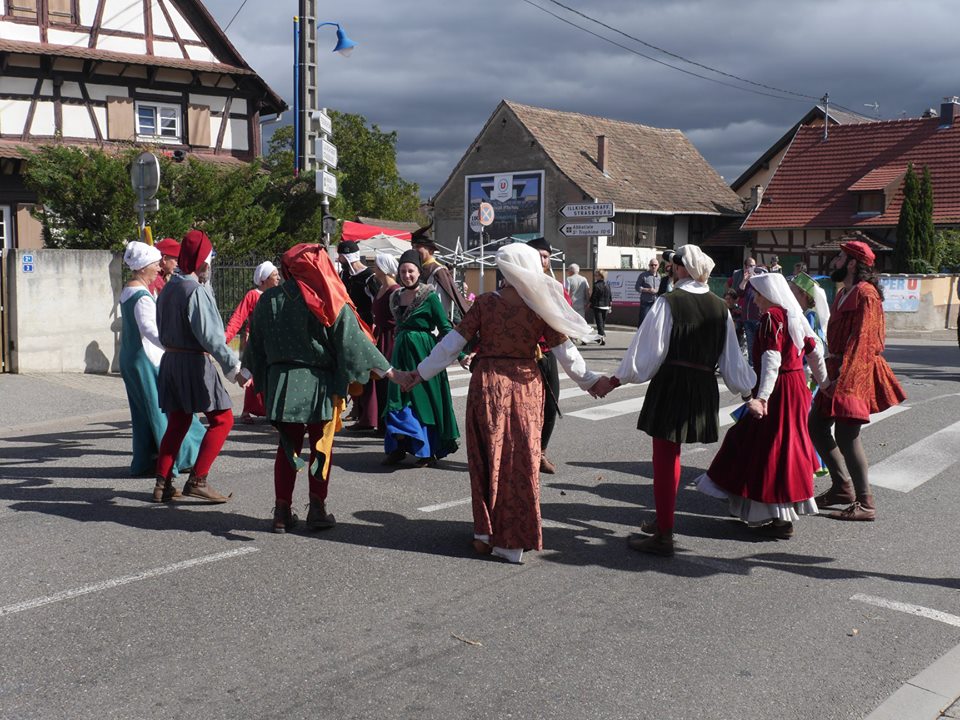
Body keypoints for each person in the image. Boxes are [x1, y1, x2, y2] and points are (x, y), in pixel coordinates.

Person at [406, 243, 601, 563]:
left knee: (486, 457)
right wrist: (591, 382)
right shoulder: (539, 306)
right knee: (520, 461)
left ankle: (484, 533)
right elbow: (567, 354)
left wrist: (420, 373)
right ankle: (512, 542)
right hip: (525, 387)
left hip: (488, 385)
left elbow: (451, 345)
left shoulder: (484, 304)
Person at [591, 244, 756, 556]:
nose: (670, 270)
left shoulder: (669, 302)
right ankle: (662, 519)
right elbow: (733, 360)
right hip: (702, 386)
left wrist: (613, 381)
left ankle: (664, 534)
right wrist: (749, 393)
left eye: (674, 266)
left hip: (673, 383)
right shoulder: (720, 307)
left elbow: (646, 352)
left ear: (683, 270)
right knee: (673, 456)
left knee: (665, 458)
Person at [243, 244, 400, 533]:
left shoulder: (269, 299)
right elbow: (352, 342)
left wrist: (244, 370)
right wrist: (389, 371)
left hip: (282, 383)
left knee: (287, 448)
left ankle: (281, 512)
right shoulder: (326, 298)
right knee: (321, 448)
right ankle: (317, 509)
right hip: (319, 385)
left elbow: (256, 342)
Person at [696, 273, 827, 538]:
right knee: (781, 447)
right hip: (796, 389)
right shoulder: (794, 316)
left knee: (763, 447)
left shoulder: (772, 318)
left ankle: (777, 517)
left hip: (778, 391)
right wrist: (825, 385)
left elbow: (772, 360)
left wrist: (763, 397)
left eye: (757, 294)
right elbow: (815, 352)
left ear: (768, 294)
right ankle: (769, 513)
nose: (754, 300)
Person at [807, 241, 906, 521]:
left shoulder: (866, 294)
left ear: (852, 263)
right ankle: (841, 487)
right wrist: (826, 371)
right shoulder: (842, 293)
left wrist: (844, 378)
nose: (835, 261)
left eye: (840, 257)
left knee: (848, 435)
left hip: (856, 369)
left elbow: (864, 340)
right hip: (838, 366)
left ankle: (866, 502)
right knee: (816, 424)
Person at [154, 230, 248, 504]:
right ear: (201, 261)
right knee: (223, 419)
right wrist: (235, 370)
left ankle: (162, 483)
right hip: (193, 362)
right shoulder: (194, 291)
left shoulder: (169, 287)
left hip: (171, 360)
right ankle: (198, 479)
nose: (210, 265)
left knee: (178, 421)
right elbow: (212, 338)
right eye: (209, 259)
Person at [118, 241, 203, 489]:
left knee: (144, 411)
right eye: (155, 263)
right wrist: (174, 344)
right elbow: (150, 329)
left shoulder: (129, 290)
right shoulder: (141, 295)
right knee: (161, 410)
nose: (159, 268)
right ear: (144, 266)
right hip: (145, 358)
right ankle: (173, 461)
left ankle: (147, 459)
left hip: (132, 357)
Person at [382, 249, 460, 467]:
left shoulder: (430, 296)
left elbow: (445, 327)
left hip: (423, 352)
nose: (407, 275)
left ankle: (426, 450)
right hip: (400, 353)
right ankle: (397, 448)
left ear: (419, 272)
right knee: (397, 399)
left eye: (411, 271)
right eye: (403, 271)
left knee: (423, 400)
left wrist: (460, 354)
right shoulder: (395, 297)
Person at [526, 236, 571, 474]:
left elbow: (566, 319)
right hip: (521, 355)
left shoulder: (555, 287)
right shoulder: (517, 283)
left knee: (551, 406)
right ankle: (523, 452)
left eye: (545, 256)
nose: (542, 260)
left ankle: (541, 452)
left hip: (546, 352)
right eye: (538, 255)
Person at [224, 261, 280, 423]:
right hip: (255, 341)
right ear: (265, 279)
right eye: (275, 275)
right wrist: (225, 339)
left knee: (271, 375)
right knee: (252, 374)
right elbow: (238, 318)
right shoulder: (253, 295)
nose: (278, 277)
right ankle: (246, 410)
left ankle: (270, 409)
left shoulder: (278, 294)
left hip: (272, 342)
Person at [337, 240, 380, 430]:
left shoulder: (370, 277)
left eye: (341, 256)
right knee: (352, 371)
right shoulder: (344, 275)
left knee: (367, 371)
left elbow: (377, 304)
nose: (339, 259)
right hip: (349, 328)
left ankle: (368, 416)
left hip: (366, 328)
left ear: (348, 256)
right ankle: (357, 408)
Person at [411, 224, 472, 323]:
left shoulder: (438, 271)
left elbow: (441, 304)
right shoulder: (416, 269)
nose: (414, 250)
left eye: (418, 246)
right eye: (412, 246)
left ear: (430, 249)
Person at [371, 252, 402, 436]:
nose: (374, 269)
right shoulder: (382, 288)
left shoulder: (395, 291)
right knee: (380, 382)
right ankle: (382, 424)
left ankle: (391, 425)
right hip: (381, 337)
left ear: (383, 268)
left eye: (376, 265)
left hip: (391, 339)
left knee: (389, 381)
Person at [728, 257, 764, 365]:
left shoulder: (759, 278)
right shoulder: (746, 280)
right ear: (745, 267)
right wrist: (745, 280)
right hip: (747, 318)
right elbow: (739, 292)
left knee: (758, 345)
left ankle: (757, 366)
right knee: (750, 345)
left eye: (753, 265)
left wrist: (755, 278)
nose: (752, 268)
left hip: (757, 317)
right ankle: (751, 366)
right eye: (750, 266)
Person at [634, 257, 661, 326]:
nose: (653, 266)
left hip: (656, 303)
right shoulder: (643, 275)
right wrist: (647, 290)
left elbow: (660, 289)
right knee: (643, 322)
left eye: (655, 265)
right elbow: (637, 287)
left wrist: (657, 290)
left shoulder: (659, 277)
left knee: (654, 322)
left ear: (658, 266)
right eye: (652, 265)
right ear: (649, 266)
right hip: (646, 303)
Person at [589, 269, 612, 344]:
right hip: (606, 306)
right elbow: (610, 296)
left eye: (596, 275)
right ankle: (600, 339)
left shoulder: (596, 285)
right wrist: (610, 305)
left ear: (600, 276)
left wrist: (590, 302)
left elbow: (594, 297)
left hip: (598, 306)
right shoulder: (607, 284)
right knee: (602, 323)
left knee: (599, 323)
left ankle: (602, 335)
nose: (595, 277)